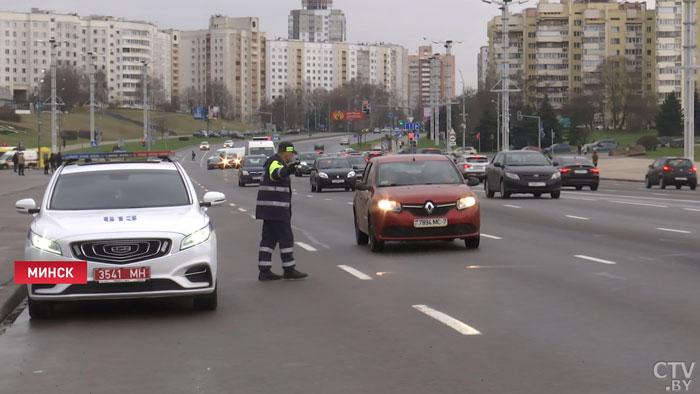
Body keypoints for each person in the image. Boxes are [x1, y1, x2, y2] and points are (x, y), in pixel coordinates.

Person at [255, 141, 307, 281]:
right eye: (290, 153)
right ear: (285, 151)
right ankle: (289, 269)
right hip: (276, 209)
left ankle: (264, 270)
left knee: (269, 239)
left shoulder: (274, 162)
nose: (291, 156)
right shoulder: (275, 162)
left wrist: (289, 169)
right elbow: (276, 174)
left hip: (269, 209)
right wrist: (288, 169)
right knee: (286, 238)